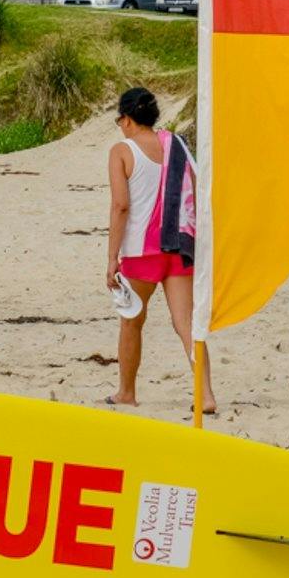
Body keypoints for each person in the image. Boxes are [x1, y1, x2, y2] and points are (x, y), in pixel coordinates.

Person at [103, 86, 214, 414]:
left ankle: (126, 393)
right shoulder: (176, 144)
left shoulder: (122, 151)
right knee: (187, 323)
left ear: (126, 119)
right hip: (179, 244)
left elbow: (121, 206)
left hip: (141, 250)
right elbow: (194, 188)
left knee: (131, 321)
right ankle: (205, 394)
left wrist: (112, 259)